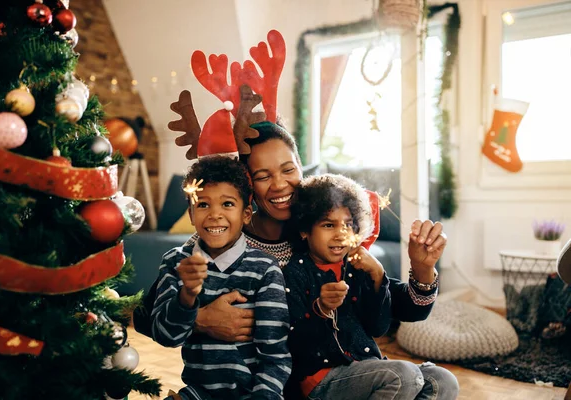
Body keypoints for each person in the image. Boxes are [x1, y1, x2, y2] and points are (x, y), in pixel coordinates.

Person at [191, 121, 458, 399]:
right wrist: (199, 319)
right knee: (399, 376)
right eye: (262, 176)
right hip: (273, 385)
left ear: (300, 166)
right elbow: (148, 311)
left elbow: (404, 310)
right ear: (247, 182)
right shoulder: (223, 237)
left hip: (347, 372)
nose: (280, 184)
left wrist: (423, 268)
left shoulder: (320, 229)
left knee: (440, 381)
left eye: (288, 169)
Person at [282, 173, 456, 399]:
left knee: (442, 381)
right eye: (328, 224)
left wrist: (379, 276)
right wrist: (321, 309)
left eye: (348, 224)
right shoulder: (294, 272)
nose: (341, 234)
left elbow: (381, 325)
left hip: (367, 372)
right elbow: (293, 344)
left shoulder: (358, 267)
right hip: (320, 384)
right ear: (305, 230)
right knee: (403, 375)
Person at [151, 155, 291, 399]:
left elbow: (275, 356)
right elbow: (166, 336)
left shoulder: (265, 269)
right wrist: (187, 298)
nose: (214, 214)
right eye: (203, 205)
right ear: (191, 213)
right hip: (196, 393)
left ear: (246, 213)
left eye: (227, 204)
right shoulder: (175, 262)